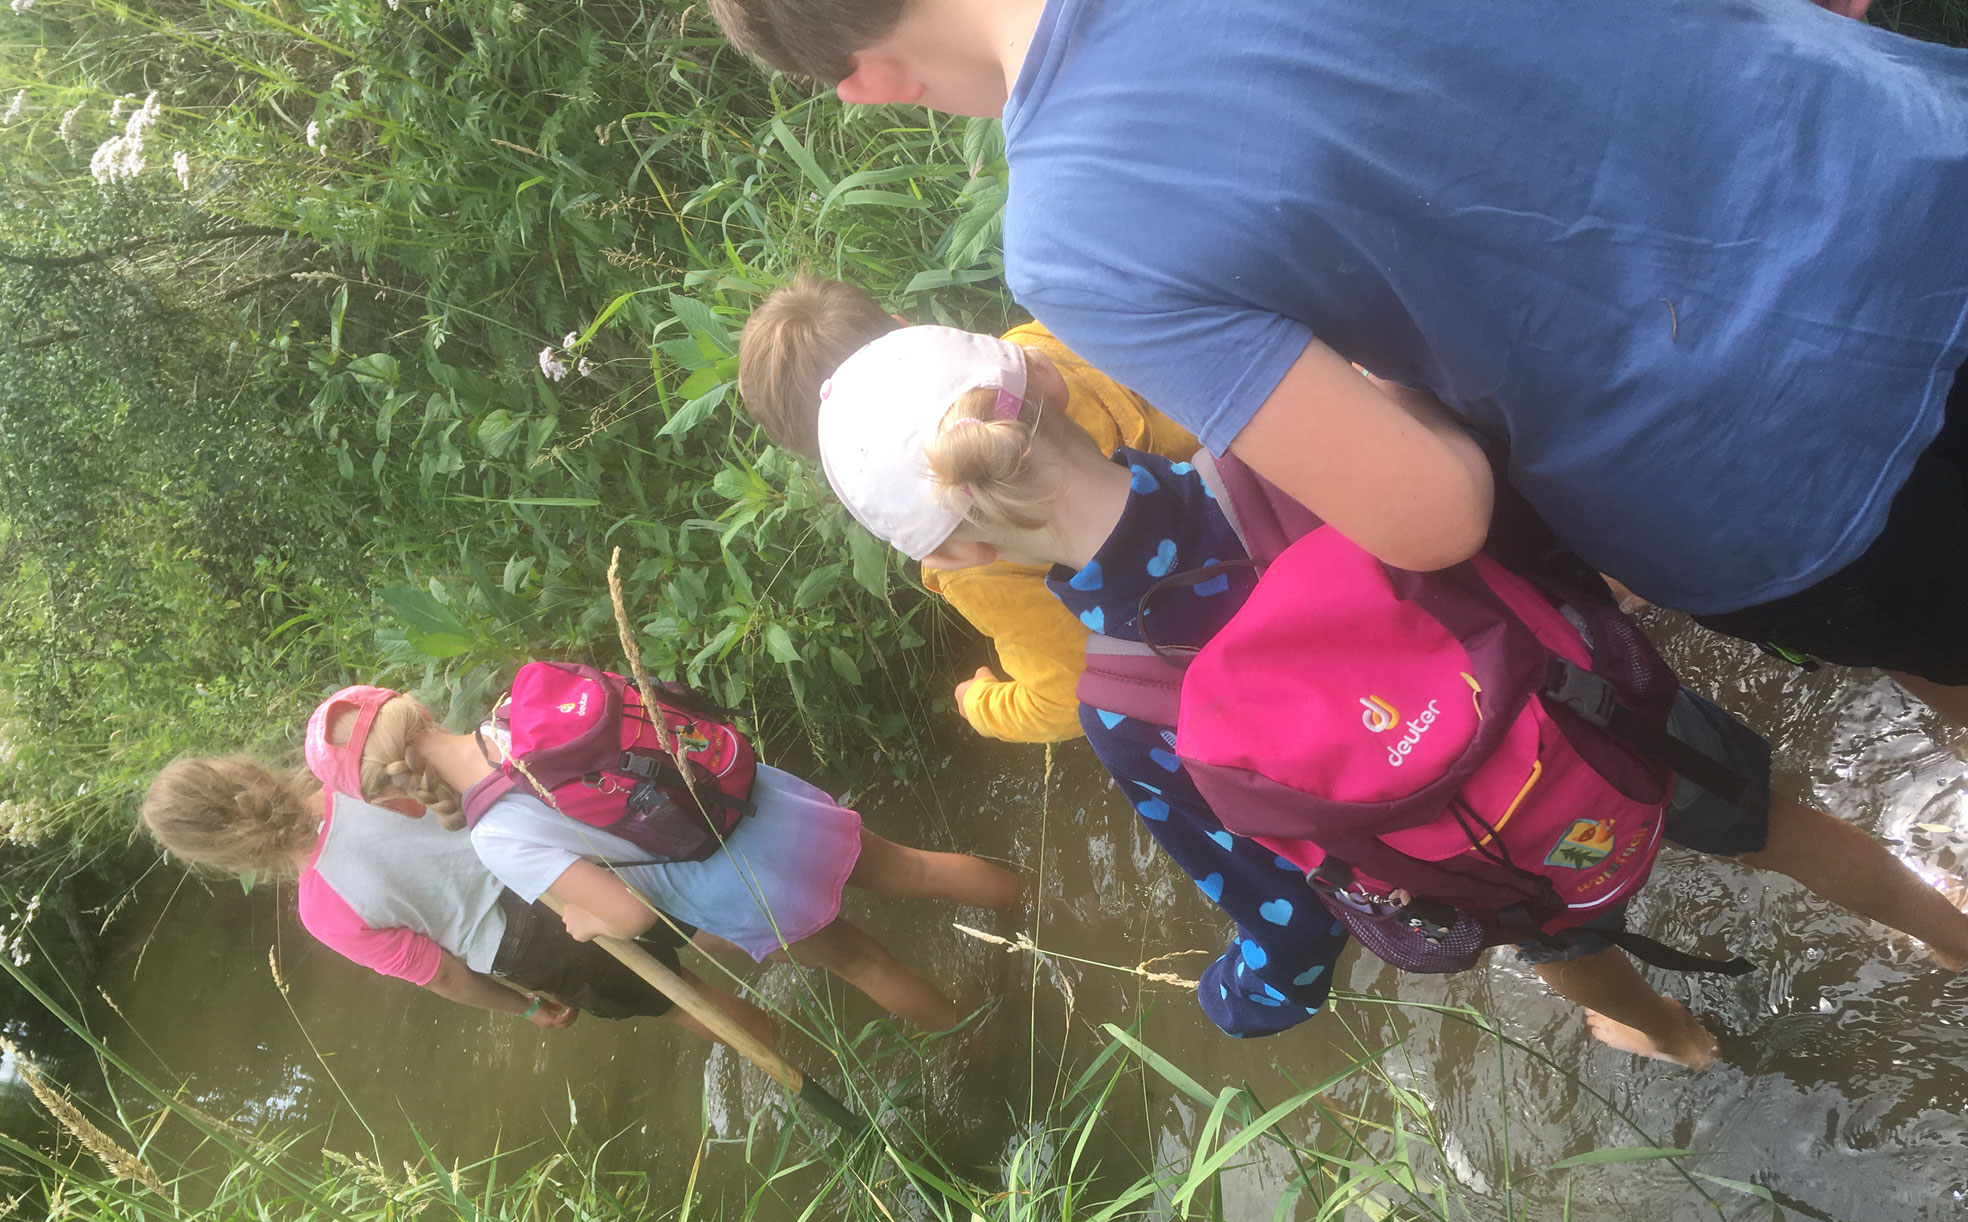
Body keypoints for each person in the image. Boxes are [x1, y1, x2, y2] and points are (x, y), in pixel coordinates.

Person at [710, 0, 1968, 733]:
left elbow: (1432, 514)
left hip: (1785, 467)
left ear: (865, 82)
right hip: (1919, 152)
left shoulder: (1073, 233)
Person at [811, 325, 1968, 1066]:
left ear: (957, 562)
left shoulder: (1122, 704)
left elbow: (1290, 923)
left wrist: (1238, 1001)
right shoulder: (1275, 449)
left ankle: (1677, 1038)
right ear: (1057, 390)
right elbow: (1503, 516)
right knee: (1780, 831)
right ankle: (1953, 936)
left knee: (1581, 969)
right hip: (1599, 715)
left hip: (1494, 859)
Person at [308, 683, 1024, 1032]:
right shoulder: (517, 703)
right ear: (415, 708)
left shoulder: (495, 836)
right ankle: (1041, 908)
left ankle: (987, 1043)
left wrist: (585, 926)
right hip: (759, 802)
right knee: (920, 869)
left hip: (741, 882)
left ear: (386, 793)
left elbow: (625, 912)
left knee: (870, 965)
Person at [737, 273, 1197, 743]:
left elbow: (1069, 698)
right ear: (905, 327)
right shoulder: (1029, 346)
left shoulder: (973, 562)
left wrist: (981, 703)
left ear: (829, 464)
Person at [138, 747, 780, 1045]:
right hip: (555, 864)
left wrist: (528, 1010)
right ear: (238, 769)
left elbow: (443, 974)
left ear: (223, 853)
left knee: (687, 1003)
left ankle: (803, 1057)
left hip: (537, 948)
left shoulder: (323, 911)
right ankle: (811, 948)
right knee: (707, 921)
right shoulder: (360, 775)